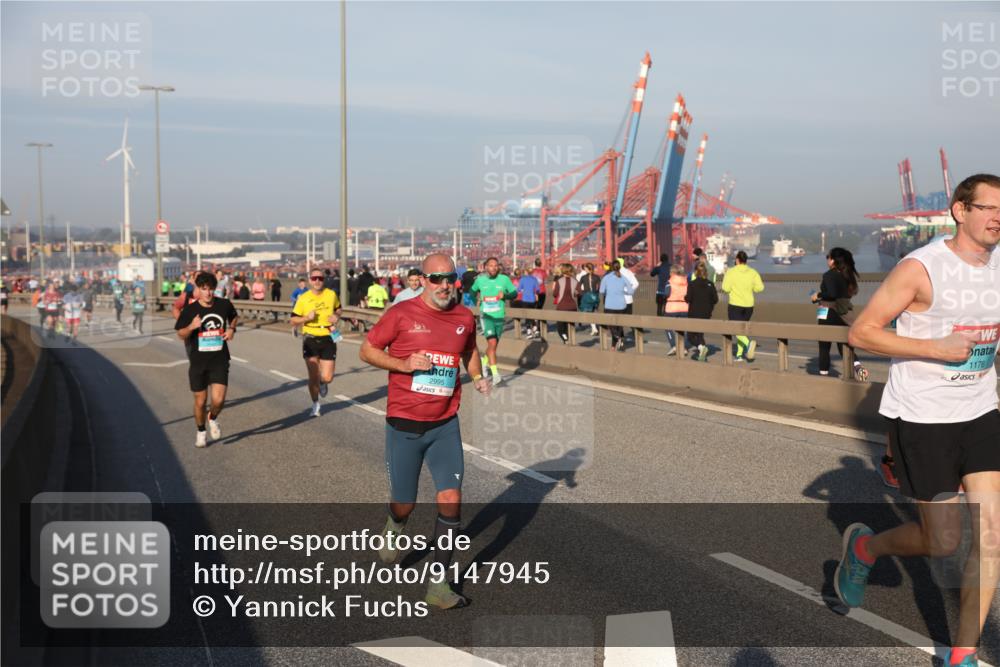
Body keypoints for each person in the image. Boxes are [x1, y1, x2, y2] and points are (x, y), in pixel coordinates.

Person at [835, 173, 1000, 667]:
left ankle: (963, 654)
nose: (997, 219)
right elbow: (862, 333)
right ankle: (866, 547)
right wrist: (934, 348)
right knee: (943, 539)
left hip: (981, 411)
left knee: (990, 535)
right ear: (959, 210)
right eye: (988, 208)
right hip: (925, 418)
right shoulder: (920, 268)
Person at [359, 253, 490, 610]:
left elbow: (470, 351)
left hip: (445, 425)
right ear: (424, 280)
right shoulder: (400, 314)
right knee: (406, 502)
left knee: (451, 500)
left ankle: (438, 585)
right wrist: (403, 364)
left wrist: (478, 377)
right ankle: (394, 524)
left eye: (450, 278)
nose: (445, 285)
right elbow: (367, 350)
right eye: (436, 279)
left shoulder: (464, 316)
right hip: (404, 426)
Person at [174, 271, 239, 448]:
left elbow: (234, 317)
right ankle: (201, 430)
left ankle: (213, 418)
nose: (208, 293)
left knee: (218, 401)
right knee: (200, 401)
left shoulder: (223, 304)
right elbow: (180, 333)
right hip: (198, 362)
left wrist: (232, 329)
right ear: (199, 290)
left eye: (211, 289)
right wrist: (191, 326)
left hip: (219, 359)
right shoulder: (190, 310)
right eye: (204, 289)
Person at [810, 247, 869, 381]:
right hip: (845, 311)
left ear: (833, 261)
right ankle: (858, 368)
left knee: (824, 345)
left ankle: (823, 375)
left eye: (828, 257)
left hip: (825, 310)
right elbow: (847, 293)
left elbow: (831, 294)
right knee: (845, 344)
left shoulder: (828, 275)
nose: (827, 259)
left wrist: (817, 295)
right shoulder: (847, 274)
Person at [290, 269, 343, 417]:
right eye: (314, 278)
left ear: (323, 280)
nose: (317, 281)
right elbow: (293, 320)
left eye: (320, 278)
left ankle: (323, 382)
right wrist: (306, 318)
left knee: (327, 377)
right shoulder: (304, 298)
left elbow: (339, 309)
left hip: (328, 336)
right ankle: (315, 404)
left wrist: (336, 316)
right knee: (313, 375)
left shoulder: (331, 294)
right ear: (310, 280)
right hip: (310, 337)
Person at [470, 257, 517, 386]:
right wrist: (476, 301)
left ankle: (484, 363)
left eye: (496, 266)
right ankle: (496, 375)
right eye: (491, 265)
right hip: (486, 316)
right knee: (492, 342)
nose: (494, 268)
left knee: (493, 346)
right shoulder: (480, 280)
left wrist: (505, 296)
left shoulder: (504, 279)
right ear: (486, 267)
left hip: (499, 316)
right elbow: (471, 291)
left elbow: (514, 293)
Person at [721, 250, 764, 362]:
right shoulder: (753, 272)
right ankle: (739, 355)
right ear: (746, 260)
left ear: (737, 260)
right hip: (749, 306)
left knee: (736, 329)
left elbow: (725, 288)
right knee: (742, 331)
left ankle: (748, 344)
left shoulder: (731, 272)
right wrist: (752, 288)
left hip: (735, 305)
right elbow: (760, 288)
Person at [684, 262, 718, 361]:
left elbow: (688, 299)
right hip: (706, 314)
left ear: (695, 272)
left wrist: (685, 297)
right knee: (700, 334)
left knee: (690, 336)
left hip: (694, 313)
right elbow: (715, 300)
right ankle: (702, 354)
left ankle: (701, 347)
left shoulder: (692, 284)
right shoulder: (710, 284)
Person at [599, 260, 631, 351]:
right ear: (619, 267)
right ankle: (613, 347)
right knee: (619, 326)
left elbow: (601, 291)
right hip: (621, 305)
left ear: (611, 267)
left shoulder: (606, 277)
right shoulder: (623, 277)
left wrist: (609, 291)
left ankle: (616, 337)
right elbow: (631, 291)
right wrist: (623, 292)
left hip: (609, 305)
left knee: (611, 325)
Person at [665, 264, 689, 355]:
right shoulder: (686, 281)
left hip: (672, 307)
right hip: (685, 307)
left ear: (673, 272)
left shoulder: (669, 282)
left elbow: (666, 294)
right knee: (683, 328)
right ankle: (684, 348)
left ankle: (673, 346)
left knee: (668, 326)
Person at [551, 263, 579, 344]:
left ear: (563, 270)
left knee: (560, 327)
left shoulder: (559, 281)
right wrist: (574, 293)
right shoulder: (575, 281)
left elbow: (555, 294)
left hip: (562, 306)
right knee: (570, 326)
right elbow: (579, 293)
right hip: (573, 307)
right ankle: (569, 340)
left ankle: (565, 338)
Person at [516, 266, 541, 338]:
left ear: (526, 272)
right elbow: (538, 290)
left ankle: (529, 331)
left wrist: (524, 291)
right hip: (532, 299)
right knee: (532, 314)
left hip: (525, 299)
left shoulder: (522, 279)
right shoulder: (534, 279)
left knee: (526, 315)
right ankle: (535, 329)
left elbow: (519, 289)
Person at [577, 263, 601, 336]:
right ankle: (595, 328)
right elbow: (599, 287)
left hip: (586, 297)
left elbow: (578, 286)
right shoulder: (597, 277)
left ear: (587, 269)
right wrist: (596, 293)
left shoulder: (583, 277)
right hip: (595, 296)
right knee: (593, 312)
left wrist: (582, 293)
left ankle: (594, 329)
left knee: (589, 313)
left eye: (586, 268)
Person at [650, 253, 672, 317]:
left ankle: (659, 323)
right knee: (666, 308)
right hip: (669, 291)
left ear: (661, 260)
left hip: (660, 291)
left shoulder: (659, 267)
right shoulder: (671, 267)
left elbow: (652, 274)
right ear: (667, 259)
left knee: (659, 307)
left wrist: (657, 266)